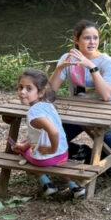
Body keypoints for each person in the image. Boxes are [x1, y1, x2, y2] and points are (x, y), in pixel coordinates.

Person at [49, 19, 111, 180]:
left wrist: (91, 66)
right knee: (54, 136)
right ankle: (84, 151)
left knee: (107, 138)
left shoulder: (106, 62)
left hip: (105, 111)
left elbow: (106, 96)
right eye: (87, 38)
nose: (92, 42)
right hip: (77, 112)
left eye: (95, 38)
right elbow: (50, 91)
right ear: (77, 39)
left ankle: (108, 157)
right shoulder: (68, 58)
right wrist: (59, 68)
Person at [10, 68, 81, 198]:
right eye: (20, 87)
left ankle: (46, 183)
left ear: (41, 92)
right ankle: (73, 186)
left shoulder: (33, 114)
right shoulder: (48, 104)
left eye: (28, 89)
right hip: (63, 153)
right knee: (56, 163)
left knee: (23, 152)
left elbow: (53, 132)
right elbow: (40, 135)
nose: (22, 92)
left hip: (49, 157)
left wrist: (50, 150)